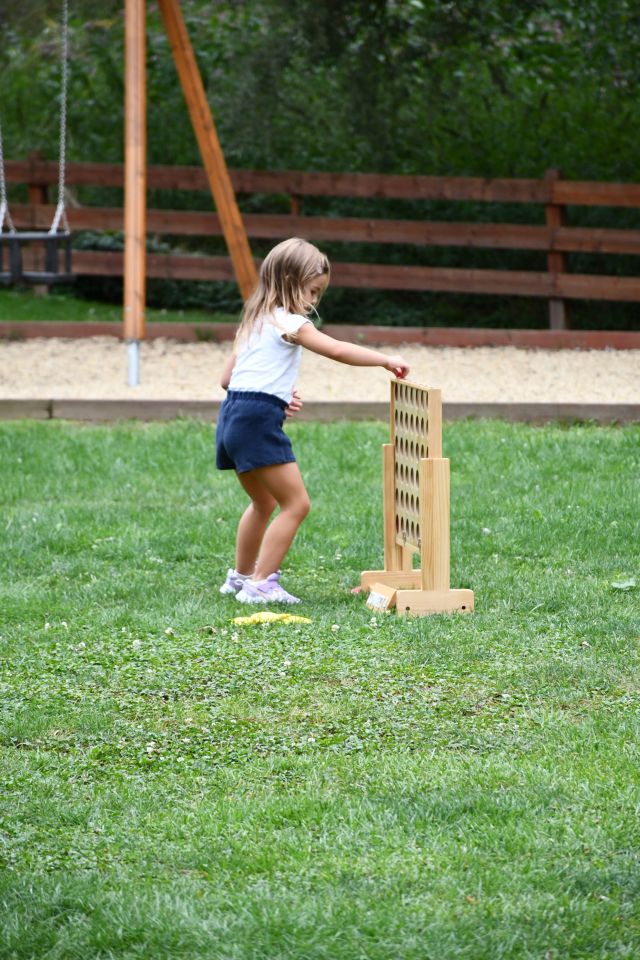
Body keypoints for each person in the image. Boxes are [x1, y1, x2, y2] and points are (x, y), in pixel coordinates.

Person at [216, 237, 410, 604]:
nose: (314, 301)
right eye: (313, 292)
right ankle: (261, 585)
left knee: (263, 503)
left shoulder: (254, 322)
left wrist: (274, 394)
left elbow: (228, 380)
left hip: (231, 418)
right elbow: (335, 349)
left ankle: (240, 577)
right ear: (290, 280)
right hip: (256, 421)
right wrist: (383, 359)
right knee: (296, 504)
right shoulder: (291, 322)